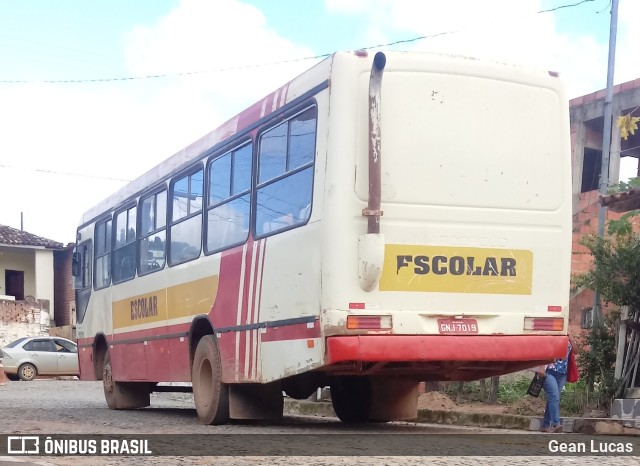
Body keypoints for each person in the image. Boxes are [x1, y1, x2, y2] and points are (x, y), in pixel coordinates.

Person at [538, 340, 572, 433]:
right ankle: (556, 423)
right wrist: (541, 367)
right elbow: (544, 349)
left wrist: (571, 338)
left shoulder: (568, 339)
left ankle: (545, 425)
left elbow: (577, 351)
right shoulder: (554, 333)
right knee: (554, 396)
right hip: (549, 370)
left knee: (553, 398)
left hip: (562, 373)